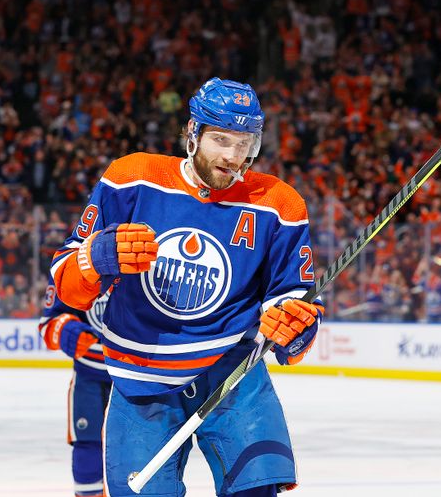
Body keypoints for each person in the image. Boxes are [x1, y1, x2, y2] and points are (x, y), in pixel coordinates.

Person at [49, 77, 323, 496]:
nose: (235, 157)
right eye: (221, 139)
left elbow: (291, 298)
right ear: (192, 134)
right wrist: (98, 258)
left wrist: (294, 325)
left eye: (246, 142)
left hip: (234, 375)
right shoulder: (132, 178)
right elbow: (67, 282)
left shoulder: (278, 203)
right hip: (139, 378)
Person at [39, 278, 112, 497]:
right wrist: (64, 329)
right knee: (87, 447)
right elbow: (48, 323)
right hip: (90, 377)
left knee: (142, 450)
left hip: (141, 377)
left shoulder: (159, 250)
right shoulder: (75, 251)